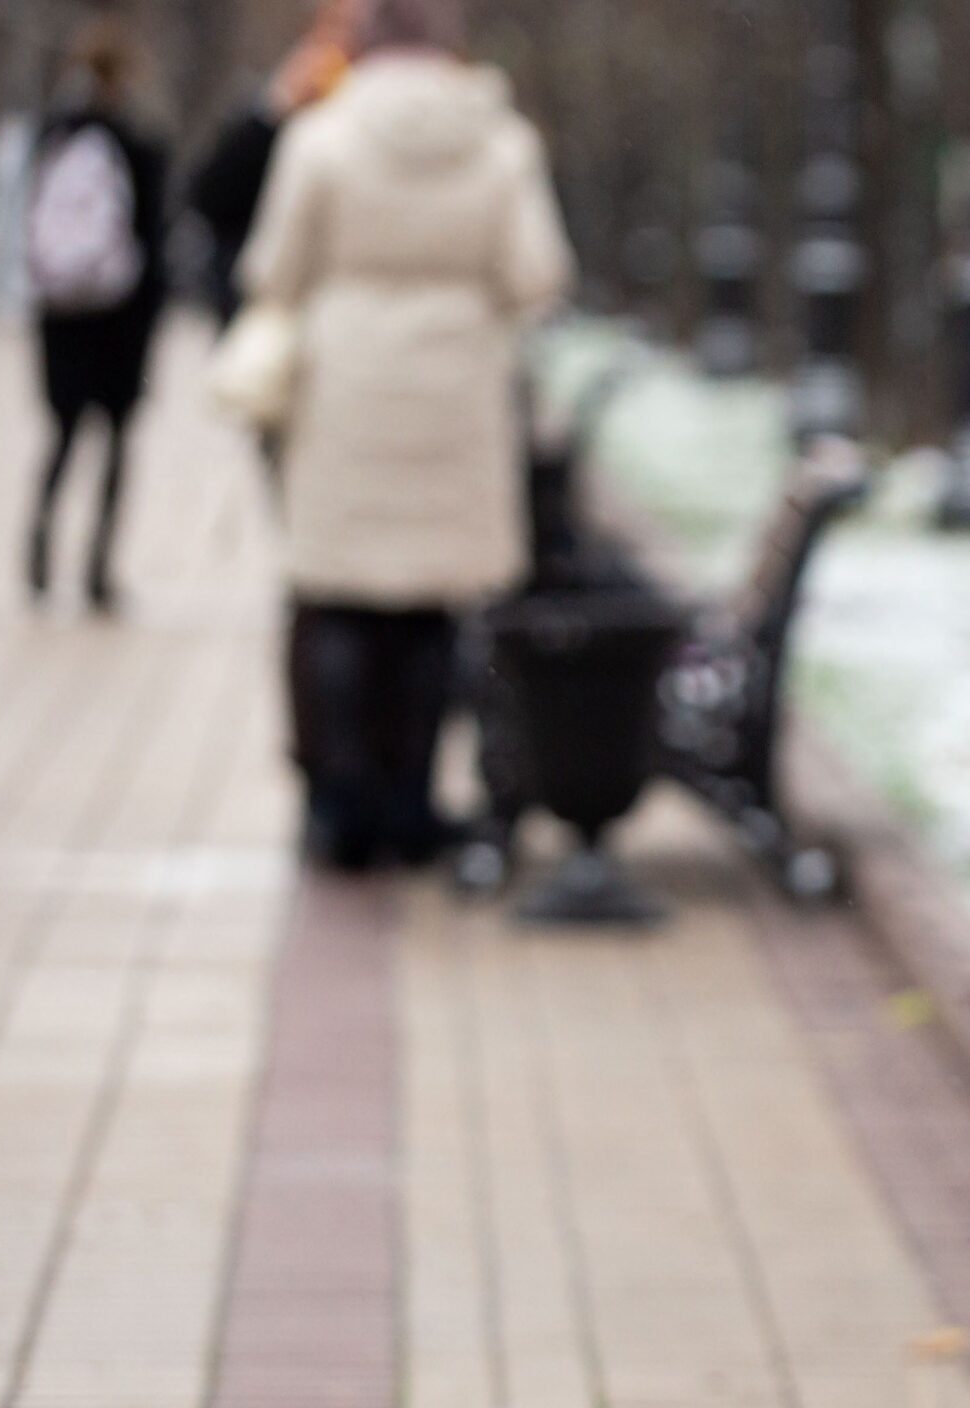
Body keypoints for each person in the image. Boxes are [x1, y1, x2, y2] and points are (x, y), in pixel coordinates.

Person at [239, 0, 573, 870]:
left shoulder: (323, 138)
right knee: (431, 610)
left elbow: (273, 266)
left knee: (341, 597)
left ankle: (339, 804)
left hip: (344, 389)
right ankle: (412, 799)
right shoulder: (501, 144)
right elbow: (537, 275)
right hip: (456, 391)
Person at [24, 19, 168, 614]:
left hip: (60, 315)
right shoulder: (139, 143)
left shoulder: (52, 134)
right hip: (121, 319)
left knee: (60, 437)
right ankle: (97, 569)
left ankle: (37, 547)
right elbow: (156, 235)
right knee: (114, 443)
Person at [186, 0, 356, 327]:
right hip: (271, 318)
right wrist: (274, 111)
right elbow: (210, 196)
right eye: (333, 28)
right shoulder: (275, 111)